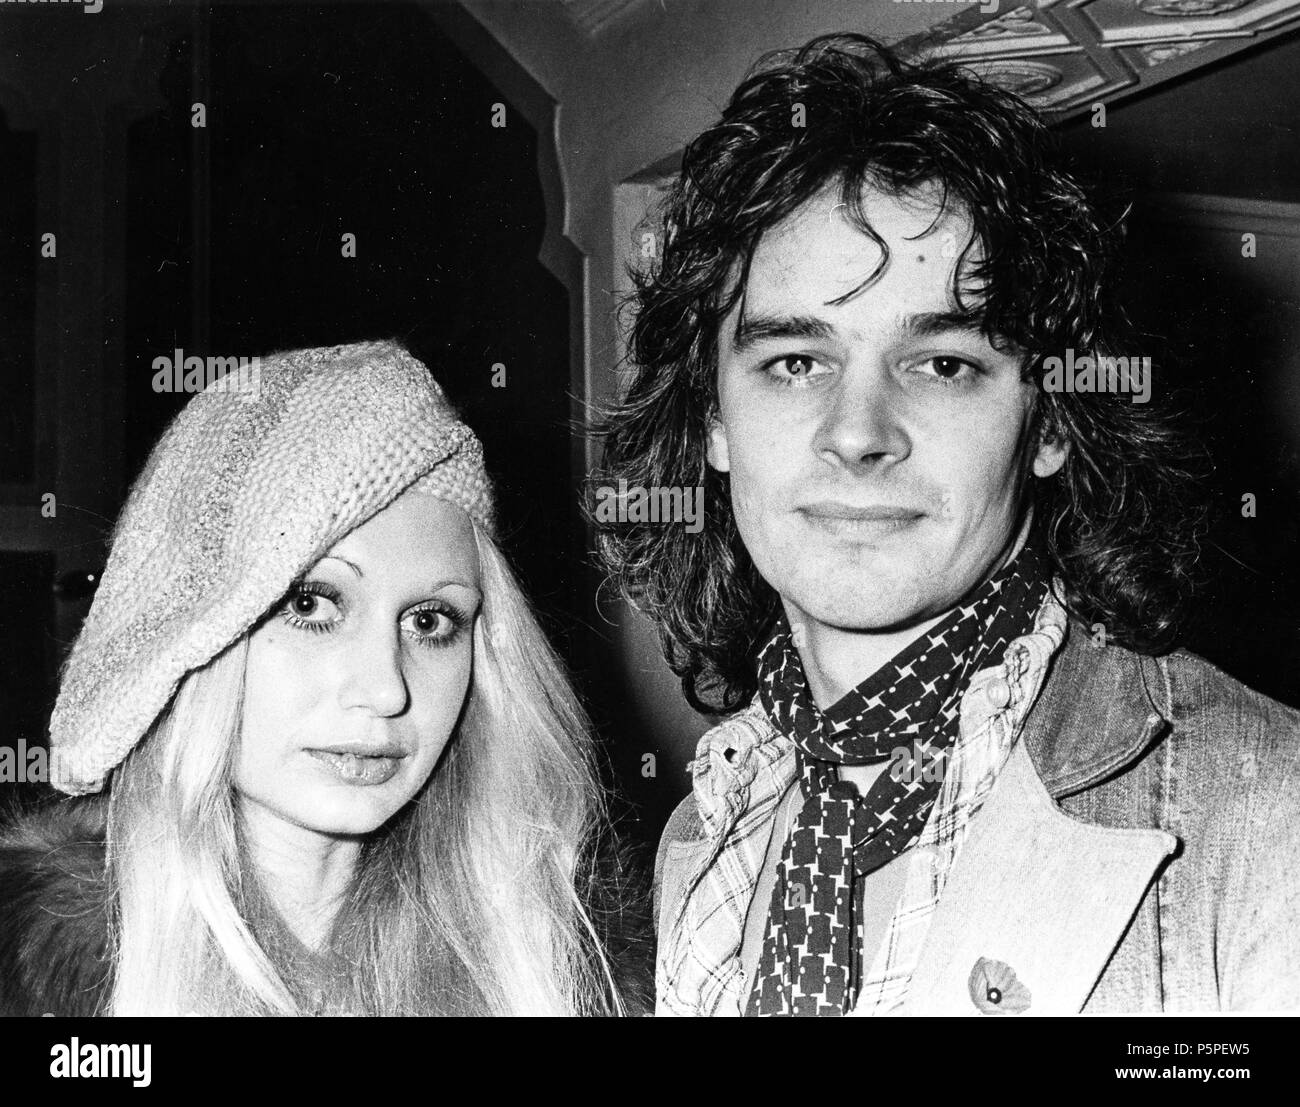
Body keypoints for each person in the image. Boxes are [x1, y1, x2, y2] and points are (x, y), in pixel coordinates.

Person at [594, 34, 1300, 1015]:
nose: (856, 435)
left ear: (1049, 422)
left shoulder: (1272, 819)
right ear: (714, 419)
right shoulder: (701, 837)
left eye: (942, 364)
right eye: (795, 361)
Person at [0, 340, 627, 1016]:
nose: (387, 689)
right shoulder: (32, 973)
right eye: (311, 604)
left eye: (430, 622)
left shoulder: (561, 962)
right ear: (186, 630)